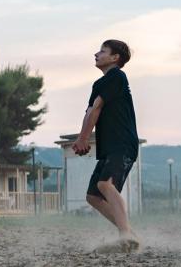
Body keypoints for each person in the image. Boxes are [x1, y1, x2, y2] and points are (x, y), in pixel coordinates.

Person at [72, 39, 140, 251]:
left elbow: (97, 108)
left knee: (105, 185)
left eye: (102, 51)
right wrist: (80, 138)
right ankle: (129, 233)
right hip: (110, 146)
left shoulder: (117, 76)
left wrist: (84, 139)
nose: (96, 54)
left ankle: (125, 234)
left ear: (114, 57)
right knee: (93, 196)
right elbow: (90, 111)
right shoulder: (99, 84)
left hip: (122, 143)